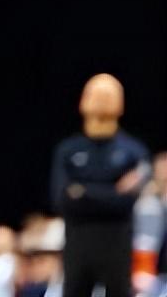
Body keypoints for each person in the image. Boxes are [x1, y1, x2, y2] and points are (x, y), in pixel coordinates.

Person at [51, 73, 151, 297]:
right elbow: (62, 200)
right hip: (77, 245)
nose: (102, 100)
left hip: (117, 245)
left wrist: (84, 192)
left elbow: (128, 202)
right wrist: (114, 191)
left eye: (109, 95)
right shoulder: (67, 151)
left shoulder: (134, 152)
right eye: (96, 94)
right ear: (83, 101)